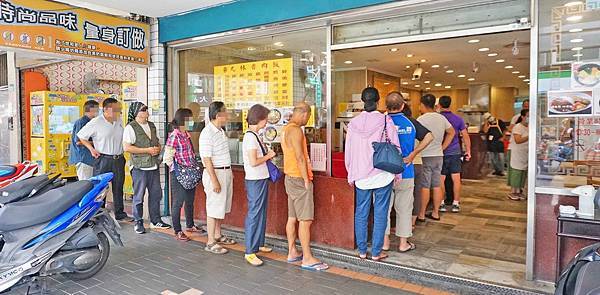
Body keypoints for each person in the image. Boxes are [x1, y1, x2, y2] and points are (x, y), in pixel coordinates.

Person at [344, 87, 399, 262]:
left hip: (360, 175)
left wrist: (350, 172)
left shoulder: (353, 124)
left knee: (361, 212)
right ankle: (376, 252)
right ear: (378, 101)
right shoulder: (385, 120)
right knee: (381, 213)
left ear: (362, 100)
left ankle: (362, 251)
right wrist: (397, 174)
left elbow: (349, 151)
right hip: (382, 172)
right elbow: (395, 147)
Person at [382, 92, 433, 253]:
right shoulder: (410, 122)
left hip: (383, 172)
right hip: (406, 171)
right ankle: (403, 243)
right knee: (404, 208)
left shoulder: (382, 121)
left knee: (384, 208)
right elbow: (429, 137)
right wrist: (414, 153)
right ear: (403, 105)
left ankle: (384, 242)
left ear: (386, 106)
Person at [282, 102, 328, 271]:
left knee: (292, 217)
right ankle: (307, 258)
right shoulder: (295, 131)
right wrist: (306, 180)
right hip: (299, 179)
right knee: (305, 220)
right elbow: (300, 158)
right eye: (308, 116)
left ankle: (292, 252)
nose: (308, 120)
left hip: (290, 178)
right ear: (303, 113)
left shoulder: (286, 129)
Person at [77, 97, 130, 221]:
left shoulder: (120, 121)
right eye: (115, 109)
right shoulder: (96, 122)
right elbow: (81, 136)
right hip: (103, 159)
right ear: (106, 109)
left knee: (118, 187)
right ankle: (98, 213)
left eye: (119, 110)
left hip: (118, 158)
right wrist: (91, 149)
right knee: (101, 187)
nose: (118, 112)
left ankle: (119, 213)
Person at [123, 102, 171, 234]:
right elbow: (127, 147)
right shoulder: (130, 127)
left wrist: (157, 149)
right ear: (136, 113)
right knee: (139, 196)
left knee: (156, 194)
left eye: (146, 109)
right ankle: (138, 222)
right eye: (143, 110)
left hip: (153, 165)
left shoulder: (151, 125)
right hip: (139, 167)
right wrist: (147, 150)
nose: (146, 112)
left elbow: (158, 142)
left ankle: (155, 220)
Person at [200, 101, 236, 254]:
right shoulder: (207, 133)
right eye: (225, 112)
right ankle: (210, 241)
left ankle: (217, 234)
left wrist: (229, 172)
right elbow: (206, 159)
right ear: (217, 115)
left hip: (225, 172)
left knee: (221, 207)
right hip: (215, 173)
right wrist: (214, 180)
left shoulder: (220, 131)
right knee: (214, 207)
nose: (227, 115)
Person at [242, 104, 276, 266]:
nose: (266, 123)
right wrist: (268, 155)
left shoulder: (255, 135)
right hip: (255, 179)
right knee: (255, 213)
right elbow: (254, 161)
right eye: (266, 119)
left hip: (261, 178)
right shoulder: (250, 137)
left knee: (261, 211)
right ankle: (250, 251)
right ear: (259, 119)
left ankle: (259, 243)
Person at [164, 108, 204, 241]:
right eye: (190, 119)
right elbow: (167, 157)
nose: (192, 121)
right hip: (179, 174)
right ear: (183, 120)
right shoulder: (174, 135)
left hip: (189, 172)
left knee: (190, 201)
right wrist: (177, 169)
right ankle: (177, 230)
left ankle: (190, 225)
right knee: (178, 202)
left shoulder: (186, 134)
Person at [416, 94, 455, 221]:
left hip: (425, 156)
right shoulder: (441, 118)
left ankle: (421, 214)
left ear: (422, 104)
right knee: (437, 184)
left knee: (425, 186)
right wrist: (443, 147)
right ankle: (436, 213)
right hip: (439, 155)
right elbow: (452, 132)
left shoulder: (421, 120)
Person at [438, 96, 471, 213]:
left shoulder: (438, 118)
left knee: (441, 179)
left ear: (439, 105)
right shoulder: (458, 119)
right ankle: (456, 203)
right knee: (456, 178)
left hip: (441, 152)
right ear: (450, 104)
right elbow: (465, 136)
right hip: (455, 152)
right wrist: (468, 151)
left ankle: (441, 203)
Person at [69, 100, 99, 180]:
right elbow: (79, 141)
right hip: (84, 158)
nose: (98, 112)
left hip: (89, 158)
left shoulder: (92, 122)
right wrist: (96, 142)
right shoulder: (82, 122)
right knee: (85, 184)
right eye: (97, 110)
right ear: (91, 110)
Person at [508, 109, 529, 201]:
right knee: (516, 171)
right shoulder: (518, 127)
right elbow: (518, 140)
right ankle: (513, 192)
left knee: (522, 172)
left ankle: (519, 191)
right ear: (522, 117)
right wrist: (530, 136)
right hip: (516, 152)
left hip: (524, 153)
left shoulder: (529, 127)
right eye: (527, 116)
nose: (529, 118)